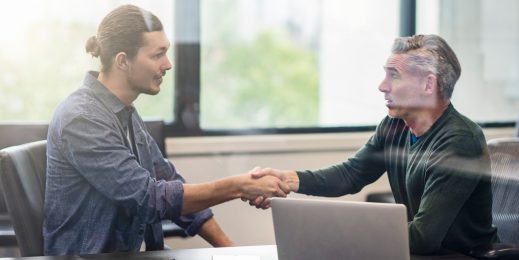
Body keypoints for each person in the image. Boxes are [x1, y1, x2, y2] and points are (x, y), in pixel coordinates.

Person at [44, 5, 289, 256]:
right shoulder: (82, 118)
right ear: (122, 61)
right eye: (157, 54)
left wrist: (232, 251)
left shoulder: (126, 114)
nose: (168, 64)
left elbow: (169, 182)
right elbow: (149, 200)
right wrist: (238, 186)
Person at [249, 34, 498, 255]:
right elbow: (351, 174)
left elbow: (423, 238)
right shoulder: (394, 126)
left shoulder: (459, 140)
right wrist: (287, 180)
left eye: (394, 75)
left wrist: (335, 230)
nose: (382, 86)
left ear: (428, 85)